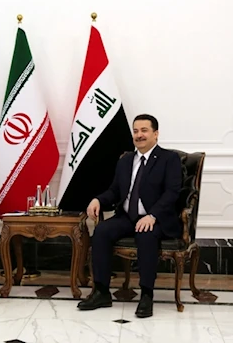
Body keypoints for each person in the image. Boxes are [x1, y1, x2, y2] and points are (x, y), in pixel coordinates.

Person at [77, 114, 182, 318]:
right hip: (126, 217)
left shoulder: (169, 159)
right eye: (135, 131)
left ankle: (146, 295)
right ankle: (101, 291)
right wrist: (98, 199)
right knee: (101, 231)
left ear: (155, 134)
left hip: (156, 218)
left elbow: (172, 192)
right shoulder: (126, 161)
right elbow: (115, 191)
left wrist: (152, 215)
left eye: (144, 130)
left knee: (146, 234)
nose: (139, 135)